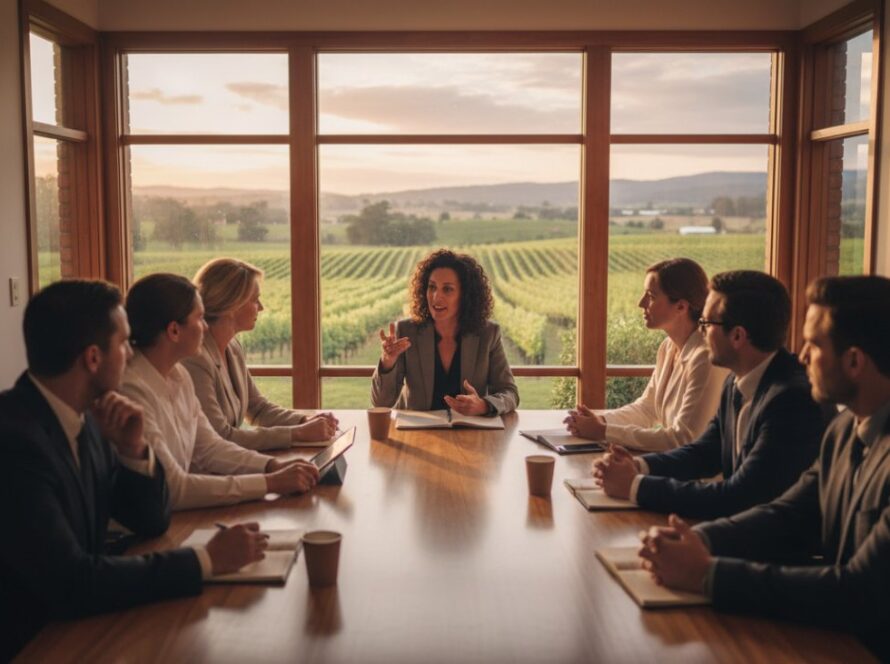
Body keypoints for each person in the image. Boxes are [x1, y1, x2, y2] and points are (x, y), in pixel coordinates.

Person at [0, 280, 268, 660]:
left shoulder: (89, 418)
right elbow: (73, 582)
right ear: (93, 358)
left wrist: (134, 449)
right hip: (34, 643)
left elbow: (151, 520)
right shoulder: (15, 443)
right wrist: (206, 560)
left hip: (79, 627)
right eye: (124, 343)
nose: (131, 355)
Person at [637, 275, 890, 661]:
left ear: (854, 361)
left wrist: (707, 574)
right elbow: (788, 513)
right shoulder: (843, 430)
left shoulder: (798, 401)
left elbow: (858, 592)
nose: (801, 356)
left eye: (814, 345)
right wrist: (699, 542)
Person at [593, 270, 833, 519]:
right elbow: (704, 452)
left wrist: (635, 486)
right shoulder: (734, 381)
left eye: (706, 324)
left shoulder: (792, 401)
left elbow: (738, 496)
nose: (701, 331)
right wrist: (639, 466)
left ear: (738, 336)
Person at [120, 273, 319, 510]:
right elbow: (174, 488)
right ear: (174, 331)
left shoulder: (178, 375)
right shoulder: (132, 391)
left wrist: (272, 466)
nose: (206, 326)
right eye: (200, 318)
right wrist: (269, 483)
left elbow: (211, 447)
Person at [565, 258, 728, 450]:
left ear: (681, 306)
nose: (641, 303)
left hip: (699, 478)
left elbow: (684, 438)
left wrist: (603, 431)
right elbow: (646, 409)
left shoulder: (705, 358)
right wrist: (599, 421)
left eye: (651, 296)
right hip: (673, 470)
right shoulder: (668, 347)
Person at [184, 257, 337, 450]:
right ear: (233, 305)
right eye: (255, 300)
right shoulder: (195, 359)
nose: (261, 307)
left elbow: (258, 409)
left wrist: (305, 420)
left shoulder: (232, 347)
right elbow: (220, 437)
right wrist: (297, 433)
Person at [371, 248, 518, 415]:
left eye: (447, 289)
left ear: (465, 295)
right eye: (432, 287)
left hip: (470, 435)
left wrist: (483, 405)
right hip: (416, 434)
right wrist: (387, 361)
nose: (436, 296)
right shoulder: (406, 331)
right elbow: (381, 402)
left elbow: (510, 393)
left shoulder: (488, 334)